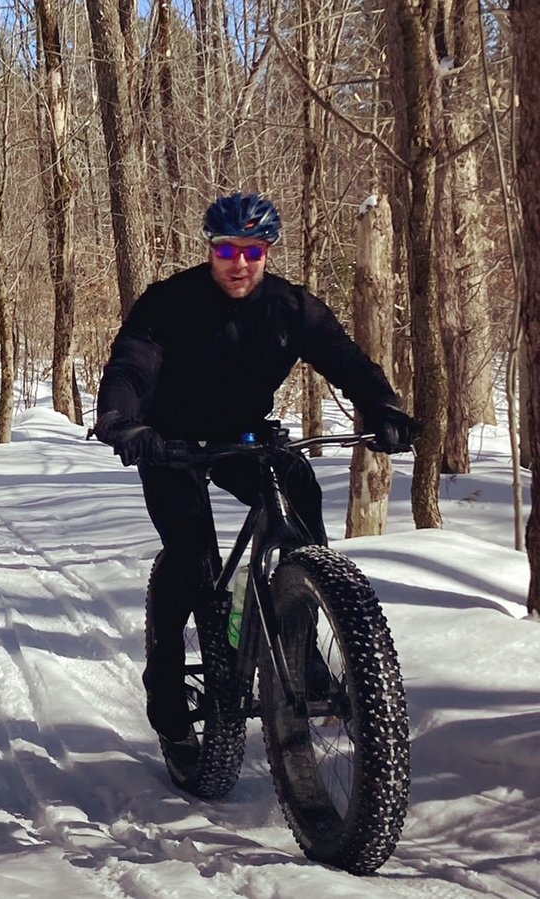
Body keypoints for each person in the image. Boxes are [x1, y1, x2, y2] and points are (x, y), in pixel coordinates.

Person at [92, 192, 417, 744]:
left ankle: (298, 632)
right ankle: (166, 679)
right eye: (225, 250)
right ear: (210, 249)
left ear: (267, 251)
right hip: (166, 438)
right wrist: (122, 420)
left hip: (241, 434)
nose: (238, 263)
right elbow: (131, 363)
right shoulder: (169, 302)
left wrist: (384, 406)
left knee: (297, 490)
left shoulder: (291, 308)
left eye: (251, 250)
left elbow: (347, 361)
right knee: (191, 556)